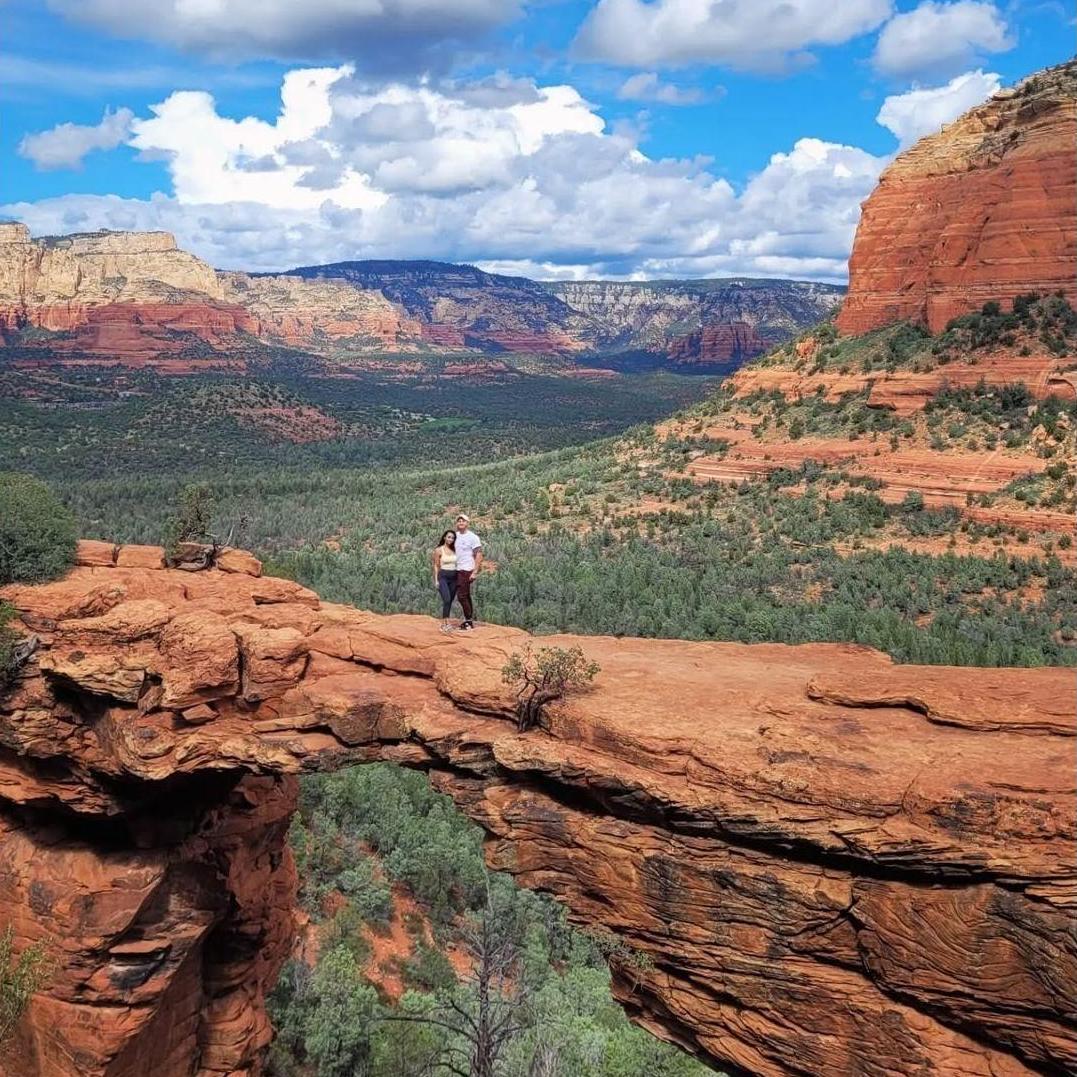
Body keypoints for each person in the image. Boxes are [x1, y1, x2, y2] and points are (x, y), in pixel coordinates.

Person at [452, 513, 483, 631]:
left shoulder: (473, 537)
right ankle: (469, 620)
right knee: (466, 595)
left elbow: (479, 554)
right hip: (457, 569)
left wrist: (475, 571)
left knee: (461, 596)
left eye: (463, 521)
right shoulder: (455, 536)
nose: (461, 523)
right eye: (459, 521)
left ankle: (468, 622)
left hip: (467, 569)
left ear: (467, 523)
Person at [432, 529, 458, 633]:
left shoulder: (455, 550)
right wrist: (436, 580)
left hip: (454, 577)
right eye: (449, 537)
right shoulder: (439, 550)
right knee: (446, 599)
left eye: (452, 538)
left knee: (450, 600)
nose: (450, 539)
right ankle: (444, 624)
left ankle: (447, 623)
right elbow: (436, 565)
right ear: (444, 538)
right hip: (443, 576)